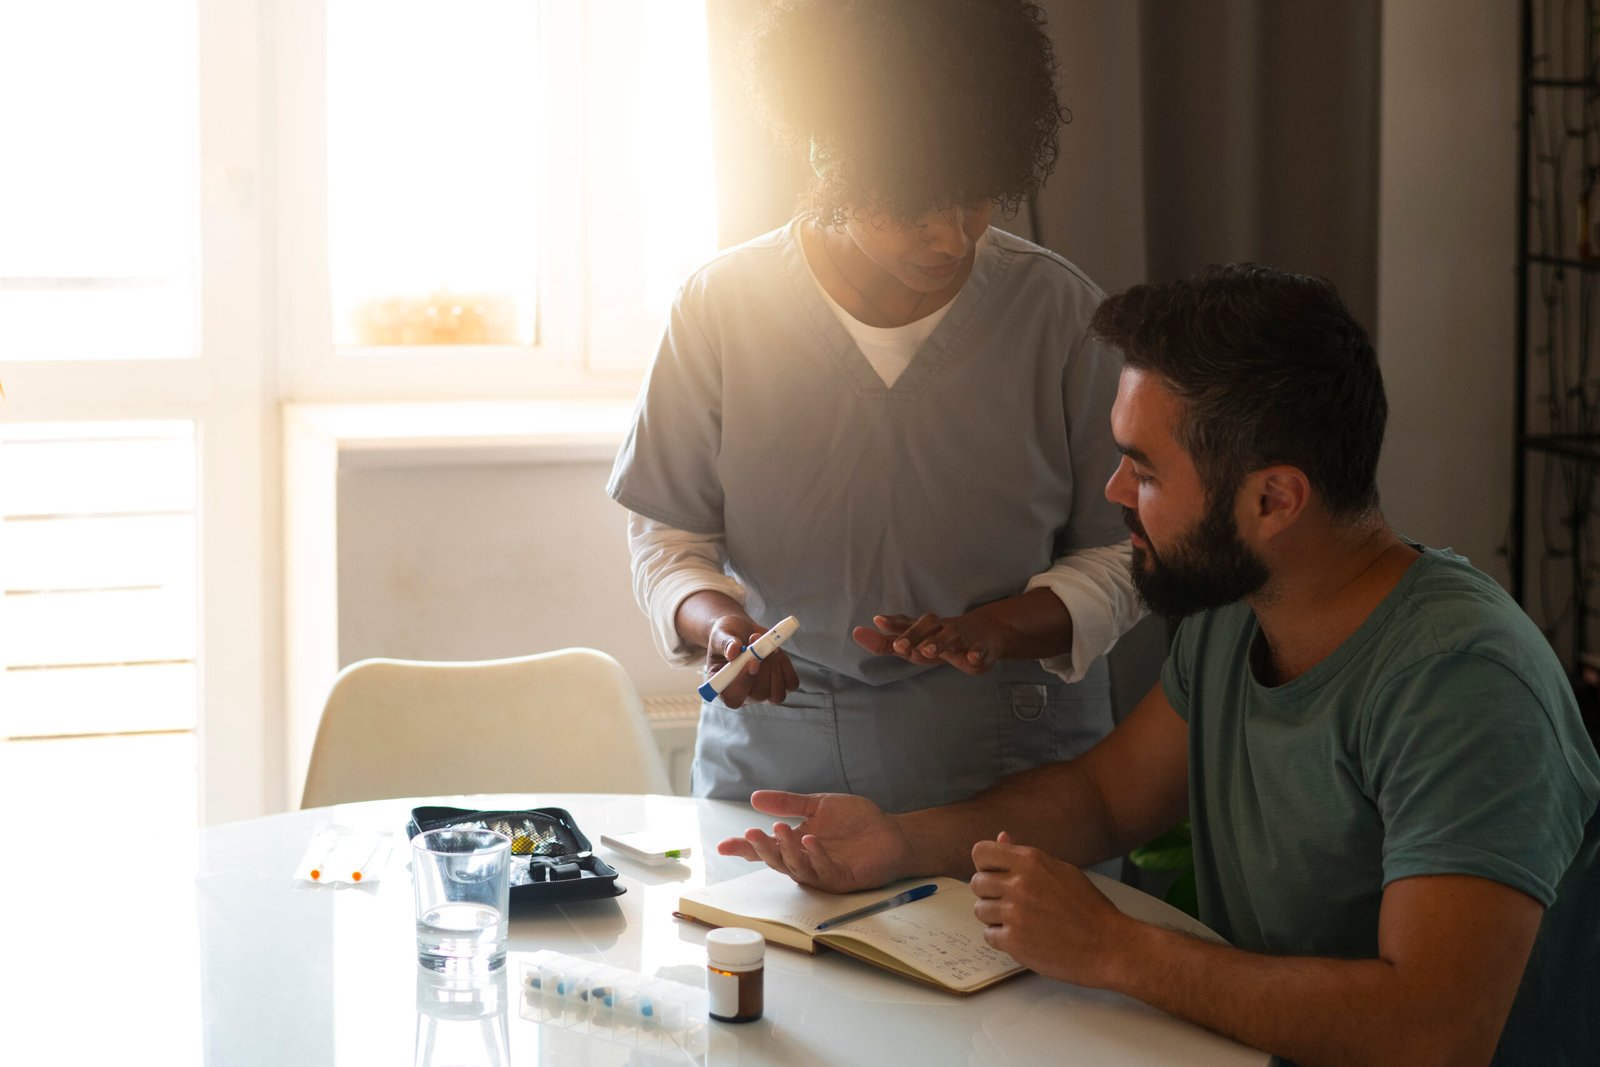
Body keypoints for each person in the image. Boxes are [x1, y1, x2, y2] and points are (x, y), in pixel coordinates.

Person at [718, 264, 1600, 1065]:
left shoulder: (1464, 683)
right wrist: (898, 841)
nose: (1111, 494)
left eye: (1143, 470)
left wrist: (1114, 948)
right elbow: (1103, 797)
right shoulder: (1238, 612)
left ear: (1273, 498)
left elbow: (1434, 1031)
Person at [607, 0, 1142, 813]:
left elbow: (1131, 549)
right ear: (828, 154)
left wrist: (1002, 626)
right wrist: (716, 623)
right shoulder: (720, 309)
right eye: (914, 207)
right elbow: (669, 534)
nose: (953, 238)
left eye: (976, 199)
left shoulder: (1060, 315)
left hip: (1010, 770)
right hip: (778, 764)